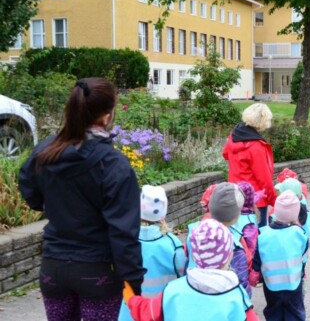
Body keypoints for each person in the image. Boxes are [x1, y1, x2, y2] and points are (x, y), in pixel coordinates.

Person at [18, 78, 145, 321]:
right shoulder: (113, 164)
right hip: (97, 272)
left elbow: (30, 191)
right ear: (107, 115)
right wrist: (133, 280)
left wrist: (55, 204)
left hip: (53, 267)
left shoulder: (46, 151)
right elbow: (123, 232)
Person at [124, 219, 259, 321]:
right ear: (229, 255)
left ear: (194, 254)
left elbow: (147, 312)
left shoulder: (172, 290)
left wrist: (129, 296)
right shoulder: (236, 295)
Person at [118, 185, 186, 321]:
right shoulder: (173, 245)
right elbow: (183, 275)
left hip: (131, 307)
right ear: (163, 213)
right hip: (161, 308)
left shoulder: (127, 240)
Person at [250, 191, 308, 321]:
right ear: (295, 214)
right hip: (293, 282)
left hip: (271, 284)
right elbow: (303, 255)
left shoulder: (263, 234)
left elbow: (257, 259)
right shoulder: (299, 234)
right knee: (295, 313)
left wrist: (254, 274)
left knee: (273, 311)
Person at [223, 103, 276, 227]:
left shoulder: (234, 136)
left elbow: (226, 154)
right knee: (257, 238)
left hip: (235, 195)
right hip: (255, 199)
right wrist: (274, 200)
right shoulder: (256, 146)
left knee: (239, 235)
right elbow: (264, 178)